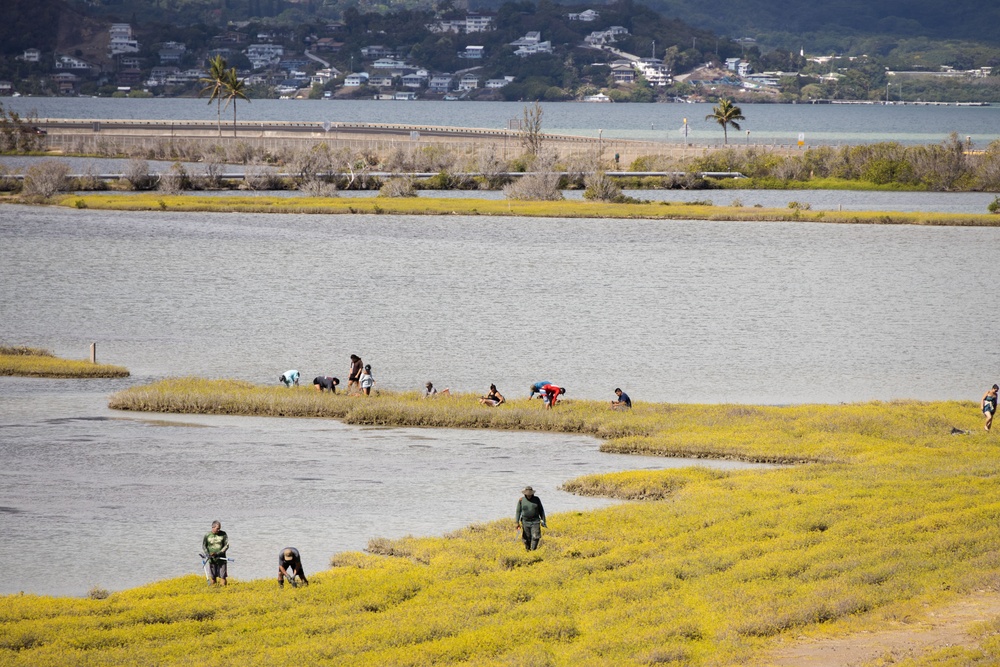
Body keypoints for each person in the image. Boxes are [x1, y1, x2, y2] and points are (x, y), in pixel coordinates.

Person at [515, 486, 547, 551]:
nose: (529, 496)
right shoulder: (521, 500)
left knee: (535, 537)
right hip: (525, 522)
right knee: (526, 538)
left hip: (535, 521)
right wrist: (517, 522)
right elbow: (518, 511)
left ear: (532, 493)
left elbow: (541, 510)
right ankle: (527, 550)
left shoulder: (537, 499)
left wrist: (543, 520)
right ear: (525, 494)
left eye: (530, 494)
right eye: (527, 494)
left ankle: (533, 550)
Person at [202, 520, 230, 585]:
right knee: (213, 577)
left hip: (221, 558)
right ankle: (213, 589)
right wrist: (207, 554)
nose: (218, 530)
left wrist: (218, 553)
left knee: (223, 577)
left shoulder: (223, 534)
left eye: (219, 528)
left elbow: (227, 545)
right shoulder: (207, 535)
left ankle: (223, 590)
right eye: (217, 528)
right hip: (211, 559)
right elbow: (204, 546)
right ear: (213, 527)